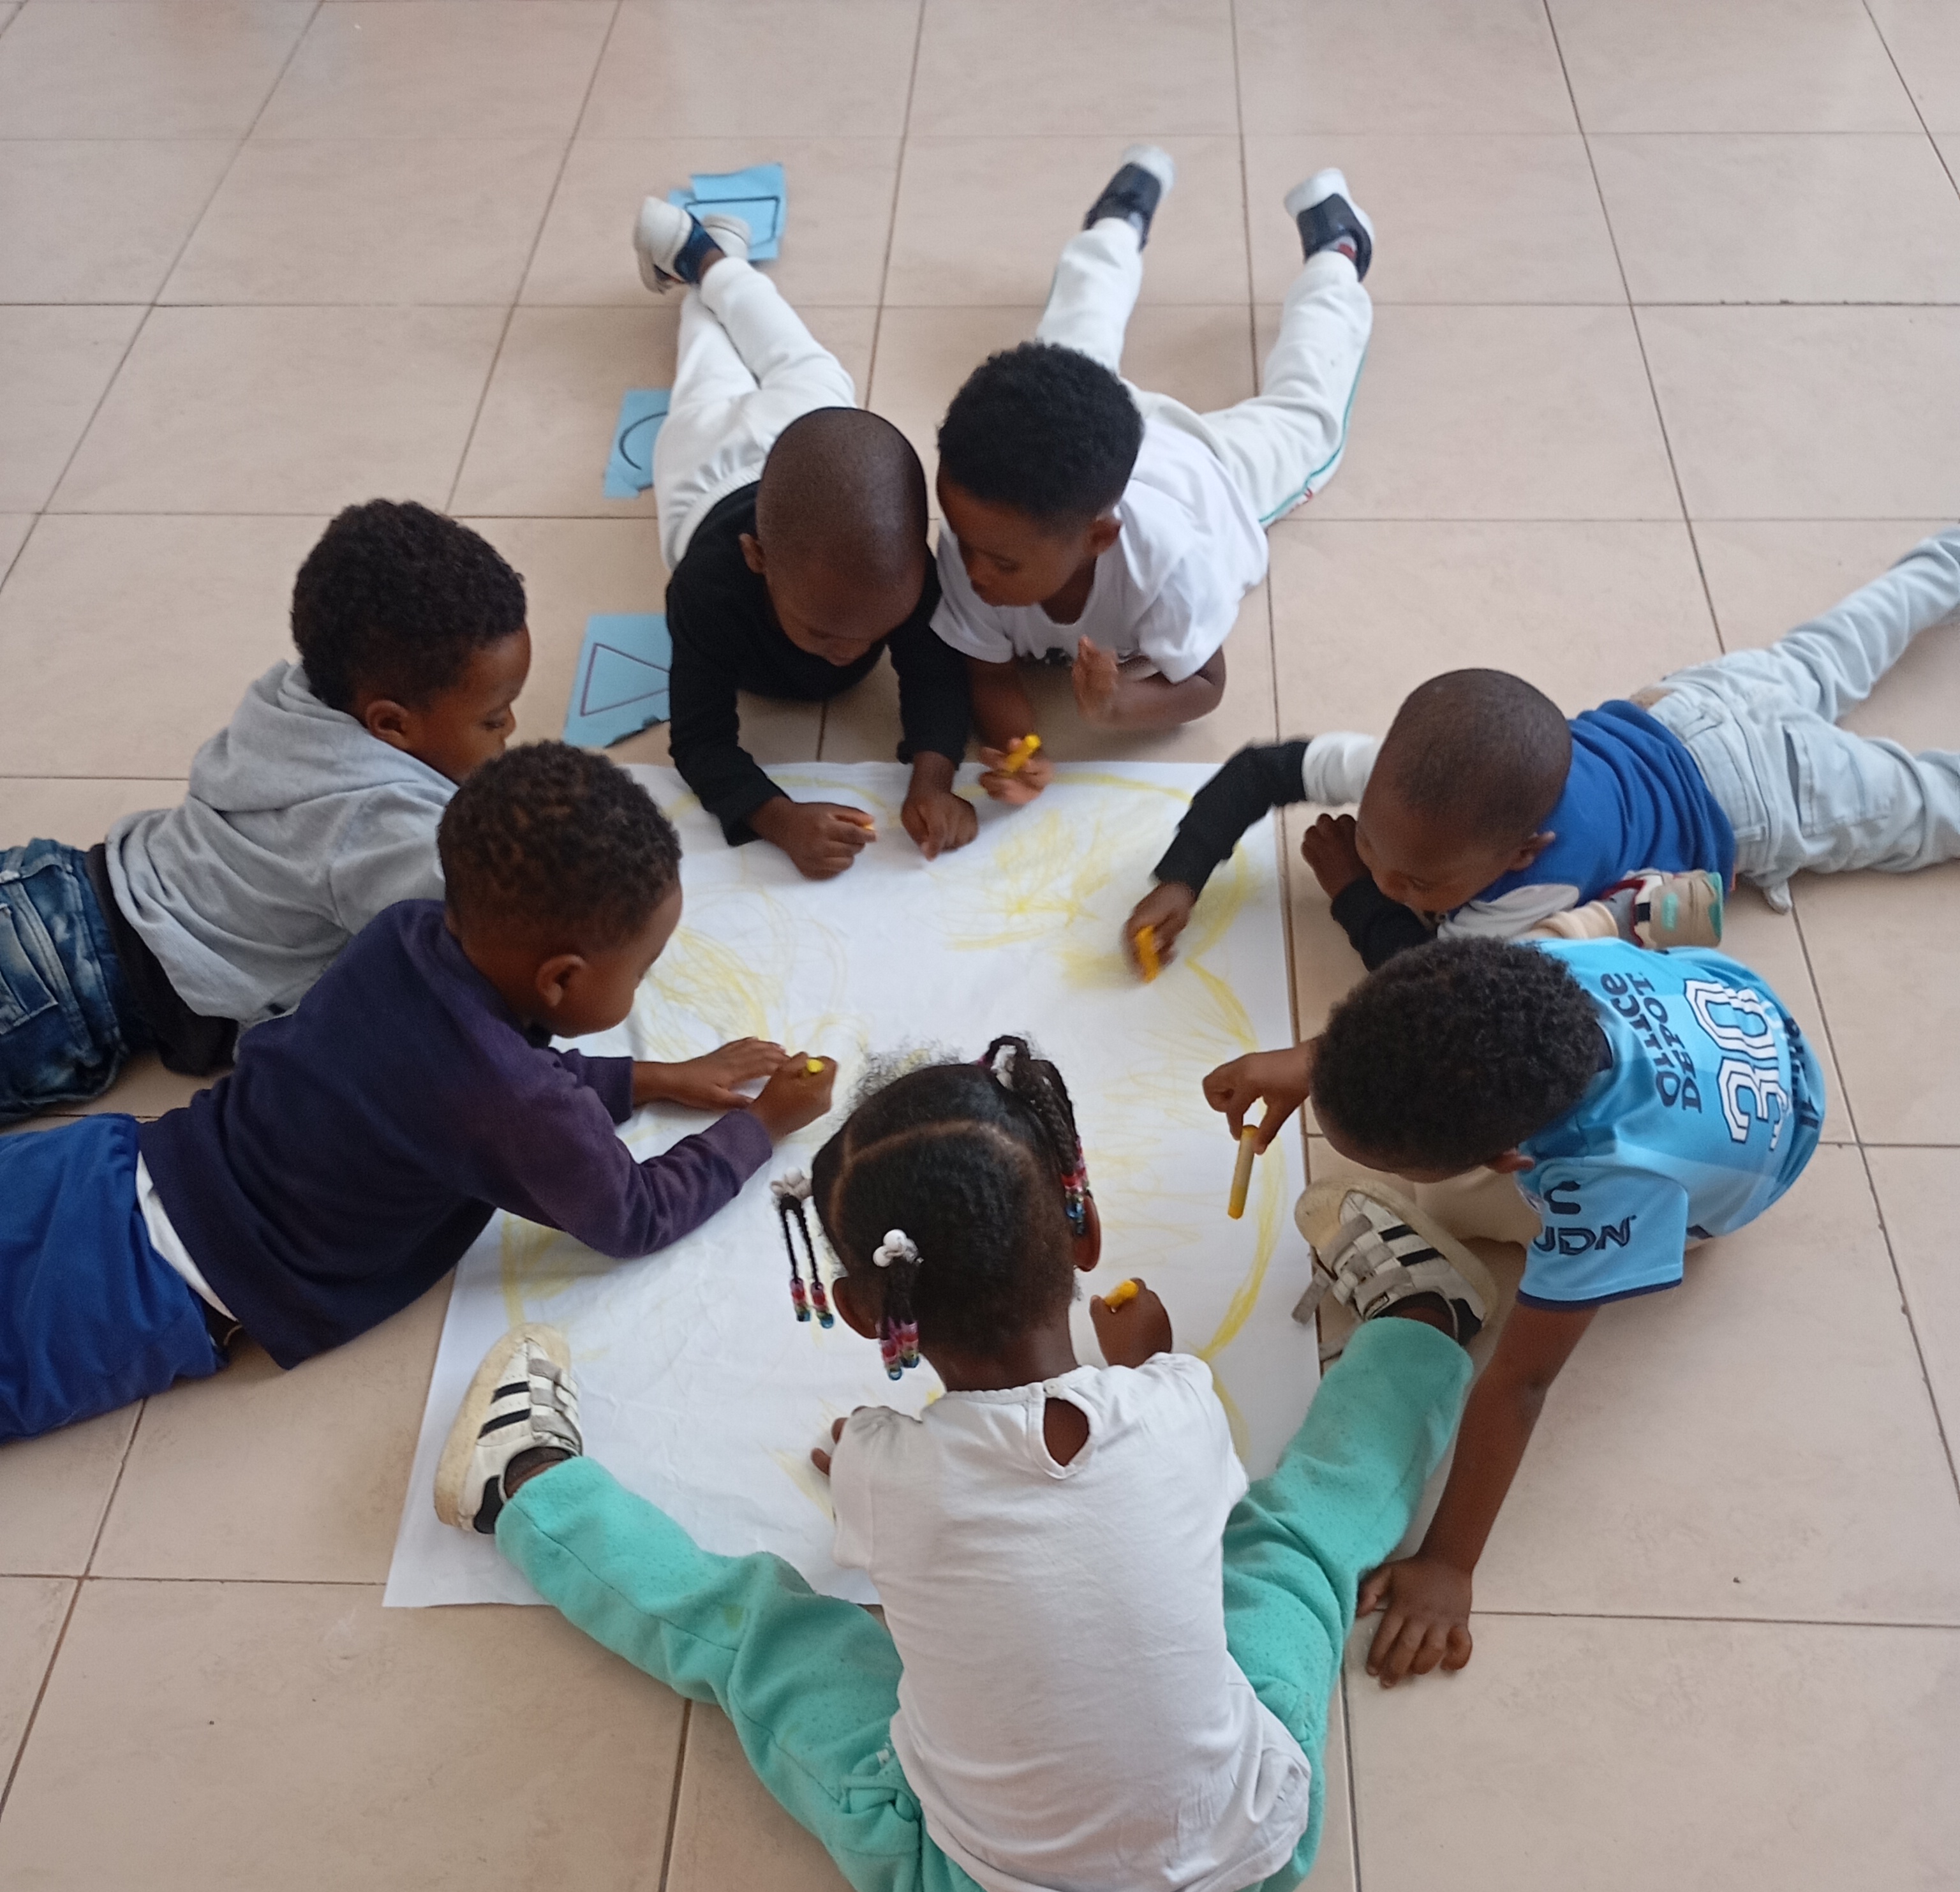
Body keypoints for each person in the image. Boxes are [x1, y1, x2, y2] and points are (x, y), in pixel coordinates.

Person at [434, 1032, 1480, 1892]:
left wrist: (872, 1460)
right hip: (1258, 1855)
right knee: (1295, 1541)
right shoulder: (1178, 1404)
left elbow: (918, 1537)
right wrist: (1152, 1367)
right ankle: (1425, 1323)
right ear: (1083, 1229)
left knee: (766, 1641)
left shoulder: (886, 1472)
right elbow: (1127, 1486)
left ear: (862, 1310)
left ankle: (527, 1487)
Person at [0, 743, 835, 1444]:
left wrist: (651, 1078)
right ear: (560, 979)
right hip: (150, 1291)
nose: (643, 984)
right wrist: (762, 1125)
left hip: (105, 1164)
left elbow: (471, 1084)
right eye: (642, 970)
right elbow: (634, 1214)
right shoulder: (512, 1102)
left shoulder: (403, 934)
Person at [1204, 934, 1826, 1688]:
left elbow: (1522, 1384)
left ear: (1509, 1159)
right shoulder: (1533, 979)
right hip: (1737, 1014)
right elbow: (1421, 1015)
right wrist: (1312, 1064)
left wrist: (1449, 1563)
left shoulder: (1608, 1182)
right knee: (1448, 1064)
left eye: (1378, 1157)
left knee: (1445, 1209)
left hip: (1751, 1162)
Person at [1124, 523, 1960, 974]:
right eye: (1374, 849)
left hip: (1763, 798)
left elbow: (1427, 980)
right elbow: (1261, 770)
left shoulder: (1535, 888)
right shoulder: (1403, 776)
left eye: (1422, 884)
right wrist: (1182, 875)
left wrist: (1351, 891)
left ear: (1522, 851)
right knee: (1848, 635)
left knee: (1928, 806)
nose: (1390, 880)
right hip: (1697, 706)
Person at [0, 500, 531, 1121]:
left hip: (53, 885)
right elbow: (489, 948)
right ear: (390, 724)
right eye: (494, 718)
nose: (512, 728)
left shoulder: (298, 694)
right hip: (67, 993)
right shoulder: (382, 826)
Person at [930, 153, 1374, 782]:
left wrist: (1119, 706)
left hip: (1214, 469)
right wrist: (1023, 749)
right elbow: (989, 672)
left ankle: (1338, 255)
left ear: (1099, 538)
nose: (972, 571)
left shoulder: (1171, 564)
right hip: (1091, 440)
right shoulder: (984, 528)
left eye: (1002, 564)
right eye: (960, 538)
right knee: (1068, 346)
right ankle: (1119, 219)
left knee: (1307, 418)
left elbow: (1206, 685)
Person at [633, 197, 975, 881]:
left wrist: (934, 778)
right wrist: (779, 818)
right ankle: (705, 267)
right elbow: (699, 739)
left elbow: (938, 674)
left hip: (810, 420)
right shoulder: (707, 590)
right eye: (823, 632)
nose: (851, 651)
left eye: (875, 631)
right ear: (757, 560)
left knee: (789, 349)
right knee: (708, 363)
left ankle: (709, 259)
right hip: (707, 464)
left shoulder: (902, 573)